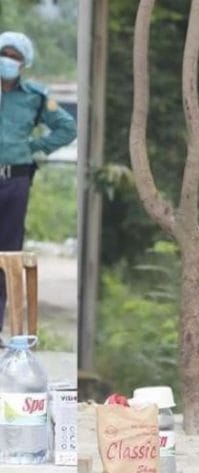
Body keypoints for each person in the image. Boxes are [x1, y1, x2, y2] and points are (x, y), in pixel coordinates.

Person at [0, 32, 76, 331]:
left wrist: (34, 147)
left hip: (15, 181)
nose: (7, 60)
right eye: (4, 53)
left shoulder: (35, 96)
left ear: (24, 63)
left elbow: (66, 128)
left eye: (15, 56)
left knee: (7, 255)